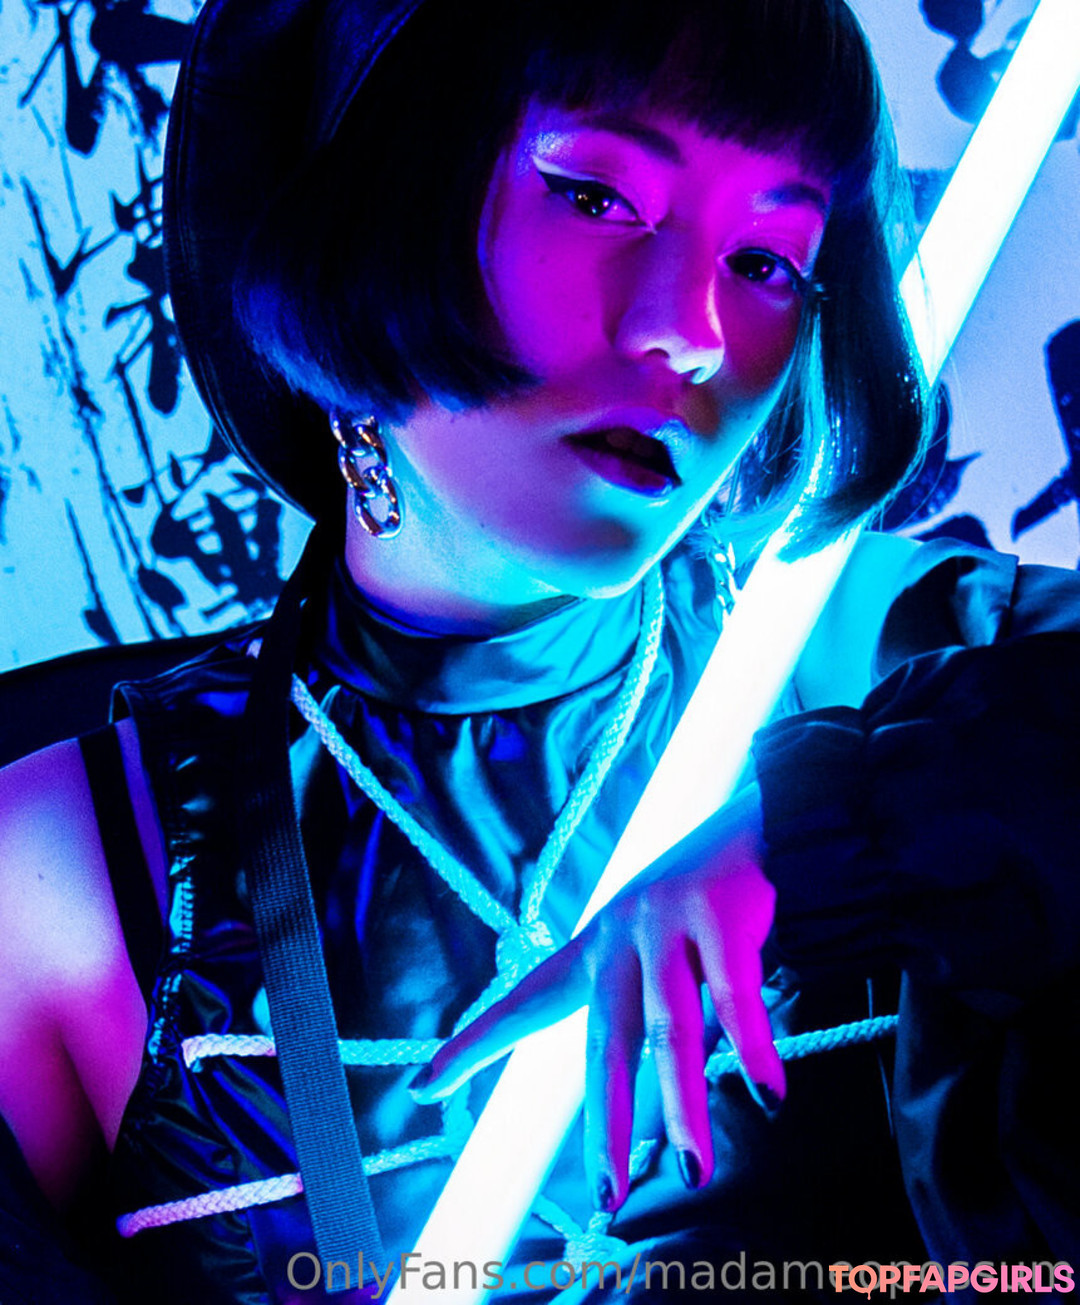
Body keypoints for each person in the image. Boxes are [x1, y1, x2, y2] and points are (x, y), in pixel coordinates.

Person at [0, 0, 1077, 1300]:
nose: (692, 331)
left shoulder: (906, 660)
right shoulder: (62, 867)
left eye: (768, 260)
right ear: (379, 199)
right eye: (598, 197)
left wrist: (845, 825)